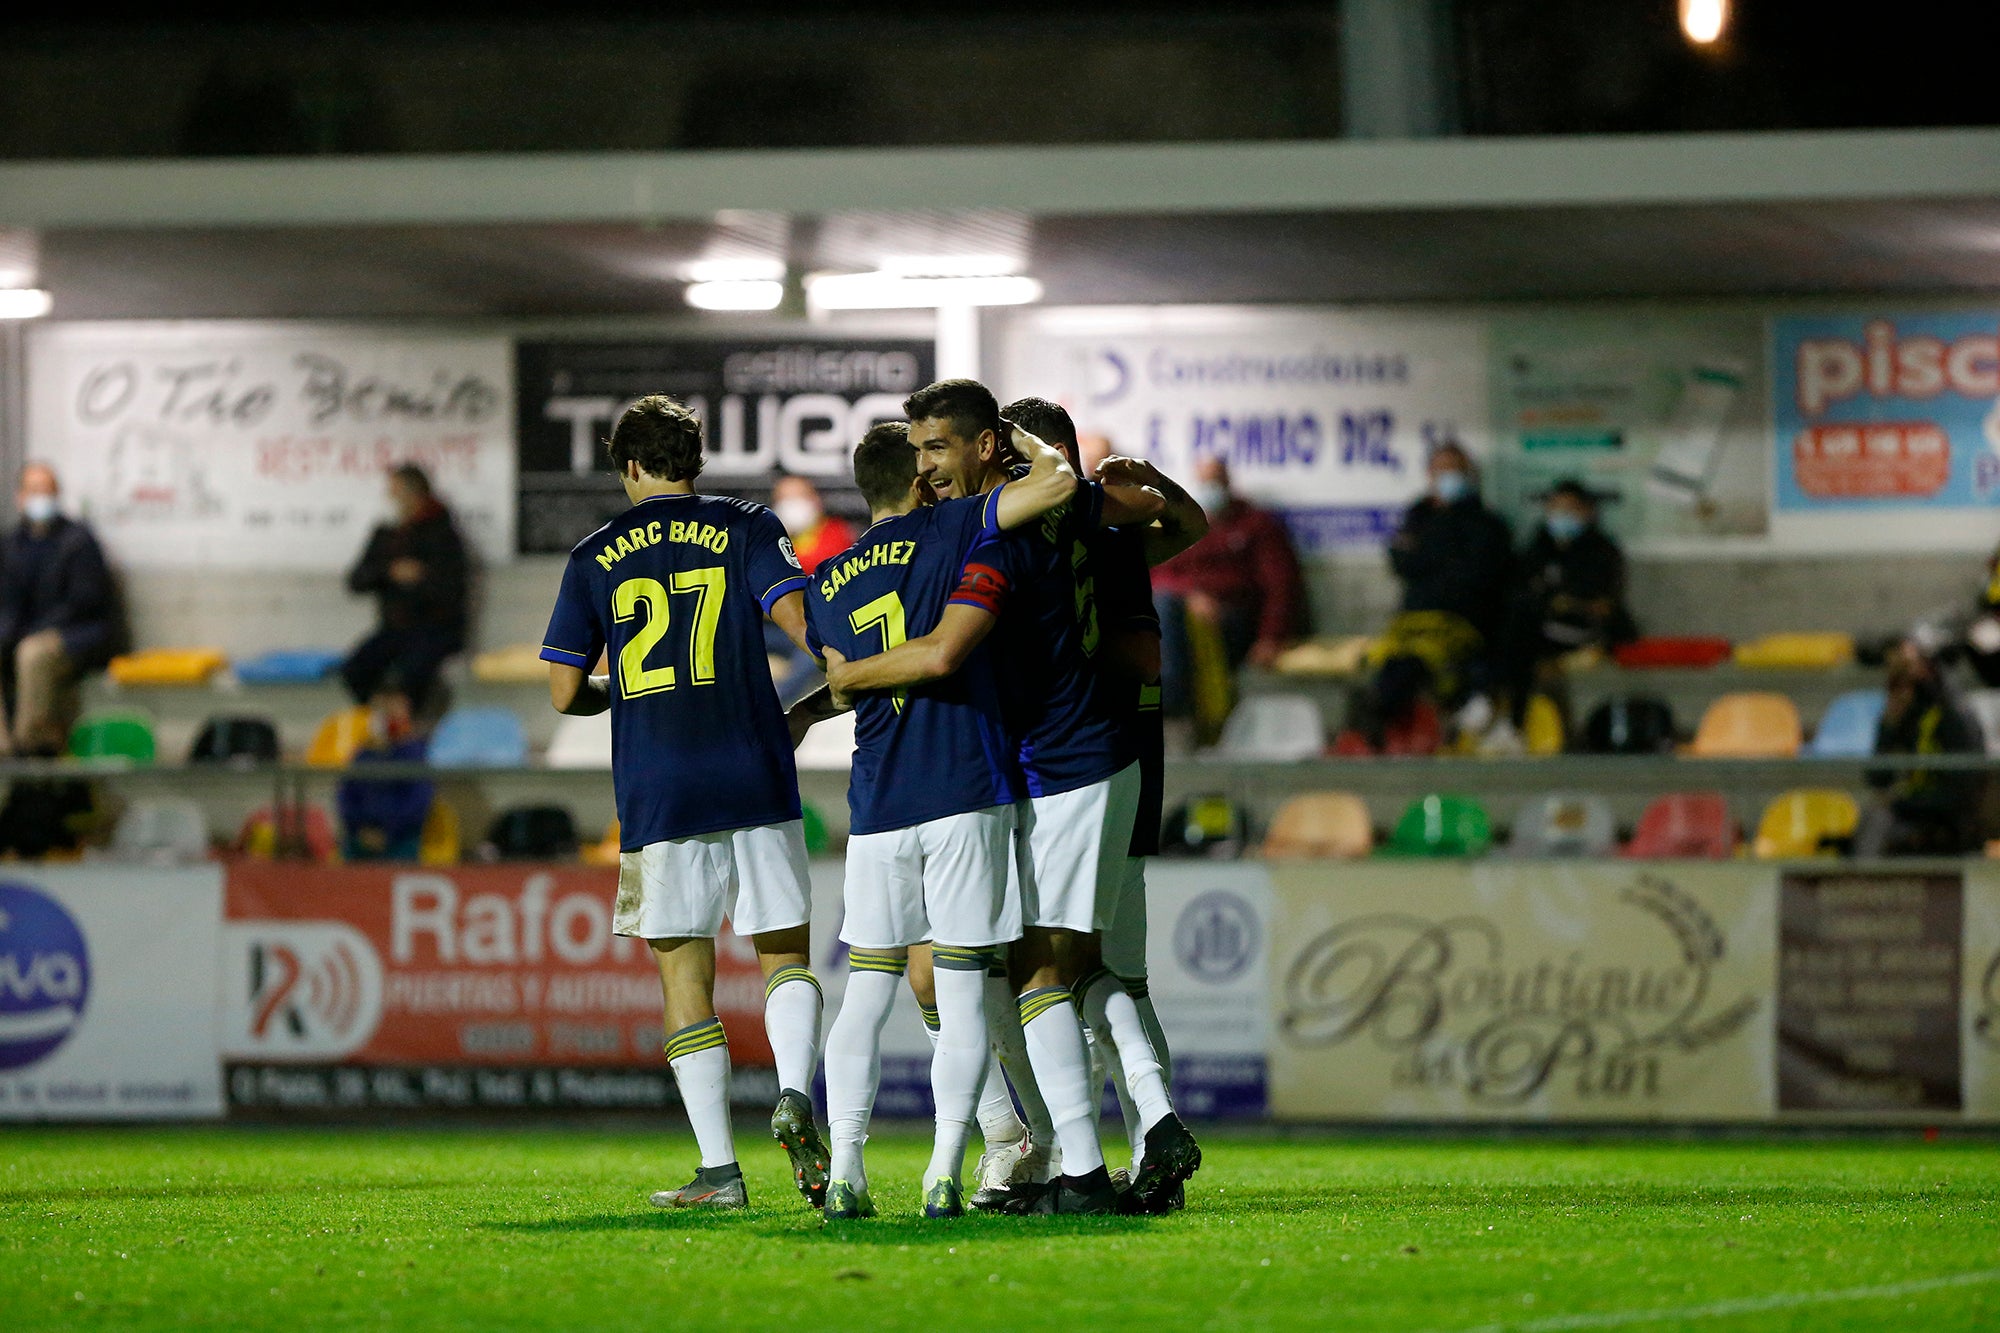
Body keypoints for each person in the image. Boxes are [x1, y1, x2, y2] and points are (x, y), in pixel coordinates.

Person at [826, 378, 1202, 1215]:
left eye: (941, 450)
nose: (930, 471)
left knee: (1022, 972)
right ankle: (1136, 1126)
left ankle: (1071, 1162)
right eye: (918, 454)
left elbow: (941, 654)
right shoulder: (1099, 531)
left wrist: (842, 679)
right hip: (1105, 759)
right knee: (1085, 966)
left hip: (1050, 770)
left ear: (993, 448)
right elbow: (1178, 526)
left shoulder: (993, 542)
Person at [540, 394, 828, 1211]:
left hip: (661, 784)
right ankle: (796, 1094)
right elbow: (801, 622)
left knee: (684, 974)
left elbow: (564, 692)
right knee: (782, 953)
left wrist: (622, 688)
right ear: (693, 460)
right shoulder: (746, 524)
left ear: (629, 465)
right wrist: (833, 685)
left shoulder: (594, 553)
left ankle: (719, 1171)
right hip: (753, 765)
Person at [802, 419, 1076, 1220]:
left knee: (865, 995)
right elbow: (1054, 482)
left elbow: (846, 685)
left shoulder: (826, 581)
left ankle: (847, 1170)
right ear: (922, 480)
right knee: (960, 998)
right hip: (963, 787)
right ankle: (943, 1173)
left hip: (879, 801)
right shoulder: (956, 526)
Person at [1005, 396, 1207, 1202]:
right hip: (1127, 761)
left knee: (1056, 967)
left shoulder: (1048, 531)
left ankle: (1076, 1144)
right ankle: (1150, 1131)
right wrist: (1151, 480)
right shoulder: (1116, 532)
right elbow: (1188, 526)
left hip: (1072, 767)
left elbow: (1139, 652)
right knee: (1118, 970)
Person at [1368, 441, 1514, 742]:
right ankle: (1383, 741)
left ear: (1469, 475)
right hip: (1413, 623)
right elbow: (1402, 562)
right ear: (1429, 475)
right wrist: (1443, 559)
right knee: (1391, 671)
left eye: (1455, 470)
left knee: (1426, 670)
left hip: (1464, 625)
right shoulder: (1416, 517)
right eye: (1440, 470)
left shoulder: (1488, 524)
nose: (1447, 477)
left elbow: (1477, 575)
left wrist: (1427, 559)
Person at [1151, 458, 1307, 730]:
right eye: (1204, 482)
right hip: (1185, 617)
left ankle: (1172, 700)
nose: (1209, 489)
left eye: (1215, 481)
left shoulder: (1256, 525)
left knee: (1169, 614)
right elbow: (1159, 573)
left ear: (1228, 482)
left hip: (1235, 619)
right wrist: (1191, 596)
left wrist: (1271, 636)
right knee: (1160, 604)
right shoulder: (1184, 522)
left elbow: (1280, 586)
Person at [0, 463, 123, 757]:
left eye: (46, 490)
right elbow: (7, 603)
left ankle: (33, 747)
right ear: (20, 497)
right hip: (26, 633)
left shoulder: (78, 541)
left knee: (33, 653)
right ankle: (3, 749)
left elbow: (85, 601)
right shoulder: (11, 545)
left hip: (78, 635)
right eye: (33, 490)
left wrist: (29, 631)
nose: (40, 497)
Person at [1499, 479, 1637, 728]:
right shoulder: (1537, 549)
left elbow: (1595, 600)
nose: (1562, 515)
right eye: (1556, 507)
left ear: (1587, 511)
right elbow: (1521, 590)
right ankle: (1505, 719)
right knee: (1512, 638)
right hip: (1540, 629)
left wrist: (1557, 598)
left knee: (1521, 644)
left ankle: (1514, 725)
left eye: (1570, 508)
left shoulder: (1602, 551)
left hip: (1582, 632)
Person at [340, 465, 471, 714]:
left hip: (437, 629)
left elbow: (452, 592)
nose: (391, 500)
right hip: (395, 630)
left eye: (395, 493)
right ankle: (380, 720)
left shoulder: (443, 535)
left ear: (415, 495)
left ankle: (412, 730)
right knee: (355, 668)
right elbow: (356, 581)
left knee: (413, 673)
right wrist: (389, 572)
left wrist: (420, 579)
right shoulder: (386, 534)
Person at [1857, 643, 1985, 857]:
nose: (1901, 691)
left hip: (1950, 822)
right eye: (1896, 684)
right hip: (1917, 812)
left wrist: (1902, 804)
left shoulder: (1954, 717)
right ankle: (1855, 884)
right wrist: (1888, 726)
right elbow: (1877, 779)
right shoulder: (1911, 716)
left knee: (1881, 822)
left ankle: (1859, 884)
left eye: (1906, 680)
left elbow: (1960, 794)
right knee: (1875, 817)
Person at [769, 474, 856, 575]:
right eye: (784, 498)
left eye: (800, 496)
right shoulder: (764, 539)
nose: (792, 505)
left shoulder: (837, 534)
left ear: (816, 500)